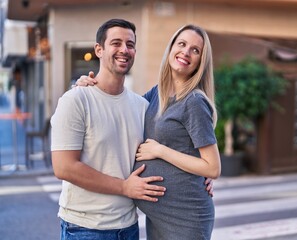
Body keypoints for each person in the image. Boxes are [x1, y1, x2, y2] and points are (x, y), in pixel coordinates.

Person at [76, 24, 221, 239]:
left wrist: (161, 151)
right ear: (171, 48)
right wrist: (87, 86)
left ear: (201, 60)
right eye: (181, 44)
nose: (186, 52)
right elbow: (123, 109)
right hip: (158, 217)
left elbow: (212, 167)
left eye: (195, 50)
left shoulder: (194, 101)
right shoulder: (158, 93)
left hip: (186, 217)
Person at [51, 18, 166, 240]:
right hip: (84, 228)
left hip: (129, 226)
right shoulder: (76, 100)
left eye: (130, 45)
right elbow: (64, 167)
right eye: (116, 43)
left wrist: (200, 174)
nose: (124, 50)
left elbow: (162, 147)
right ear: (99, 50)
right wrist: (124, 187)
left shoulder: (141, 106)